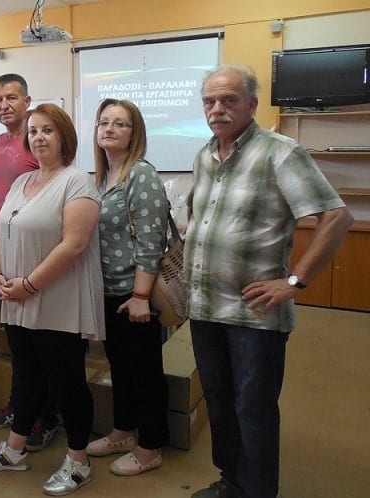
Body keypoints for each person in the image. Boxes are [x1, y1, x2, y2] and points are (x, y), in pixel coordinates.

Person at [186, 65, 353, 498]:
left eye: (228, 100)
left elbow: (336, 217)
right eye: (209, 101)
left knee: (253, 411)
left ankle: (257, 491)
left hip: (254, 313)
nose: (217, 109)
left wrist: (294, 281)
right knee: (220, 402)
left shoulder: (280, 153)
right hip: (205, 307)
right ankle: (232, 482)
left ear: (251, 104)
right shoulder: (203, 156)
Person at [0, 103, 105, 496]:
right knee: (26, 377)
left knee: (67, 384)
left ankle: (79, 462)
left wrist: (28, 285)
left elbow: (74, 245)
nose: (39, 137)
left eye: (48, 130)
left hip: (56, 301)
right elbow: (2, 230)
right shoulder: (22, 181)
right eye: (33, 131)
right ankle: (15, 449)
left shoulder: (77, 181)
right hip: (16, 298)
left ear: (64, 136)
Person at [85, 98, 169, 476]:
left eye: (120, 123)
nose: (110, 129)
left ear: (135, 134)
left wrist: (139, 296)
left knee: (145, 371)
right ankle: (122, 430)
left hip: (134, 292)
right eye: (104, 122)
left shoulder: (140, 174)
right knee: (119, 366)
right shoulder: (102, 178)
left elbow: (151, 241)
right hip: (106, 290)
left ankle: (150, 446)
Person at [0, 73, 58, 454]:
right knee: (17, 342)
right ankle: (20, 405)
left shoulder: (36, 140)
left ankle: (46, 415)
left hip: (33, 255)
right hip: (2, 252)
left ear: (27, 101)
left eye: (11, 97)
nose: (4, 105)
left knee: (42, 342)